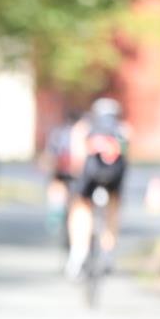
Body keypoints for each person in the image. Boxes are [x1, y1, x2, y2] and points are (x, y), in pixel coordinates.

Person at [65, 98, 130, 278]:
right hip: (114, 178)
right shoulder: (123, 129)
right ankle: (108, 253)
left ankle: (78, 254)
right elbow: (126, 160)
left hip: (90, 177)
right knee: (114, 208)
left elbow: (76, 160)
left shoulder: (84, 128)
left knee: (80, 208)